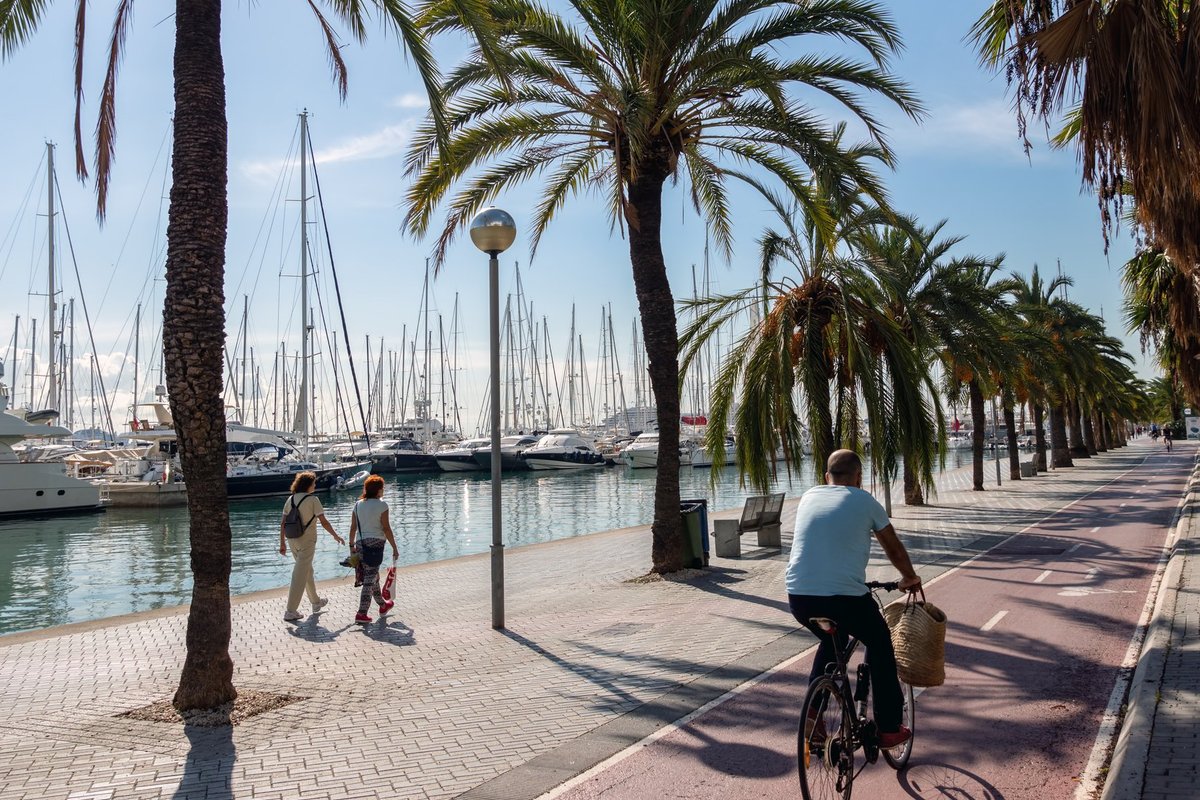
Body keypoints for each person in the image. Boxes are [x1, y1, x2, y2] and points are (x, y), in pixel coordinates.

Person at [786, 449, 921, 750]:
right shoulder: (865, 501)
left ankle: (813, 713)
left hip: (799, 596)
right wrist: (909, 577)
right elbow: (893, 547)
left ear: (827, 476)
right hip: (844, 598)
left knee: (831, 638)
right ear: (859, 477)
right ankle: (889, 727)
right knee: (879, 641)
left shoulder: (808, 496)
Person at [279, 471, 344, 622]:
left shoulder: (290, 499)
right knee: (299, 575)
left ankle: (316, 602)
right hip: (307, 542)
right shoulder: (313, 500)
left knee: (307, 571)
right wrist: (335, 535)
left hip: (292, 540)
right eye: (314, 483)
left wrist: (282, 543)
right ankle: (290, 611)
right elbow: (324, 522)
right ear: (308, 485)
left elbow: (283, 523)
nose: (315, 485)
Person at [347, 474, 399, 624]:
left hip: (360, 543)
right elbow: (386, 528)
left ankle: (383, 605)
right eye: (382, 488)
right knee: (369, 579)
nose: (383, 490)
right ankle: (361, 613)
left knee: (372, 575)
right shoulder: (382, 505)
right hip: (376, 544)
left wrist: (351, 546)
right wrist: (394, 547)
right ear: (378, 490)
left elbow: (353, 527)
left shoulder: (357, 505)